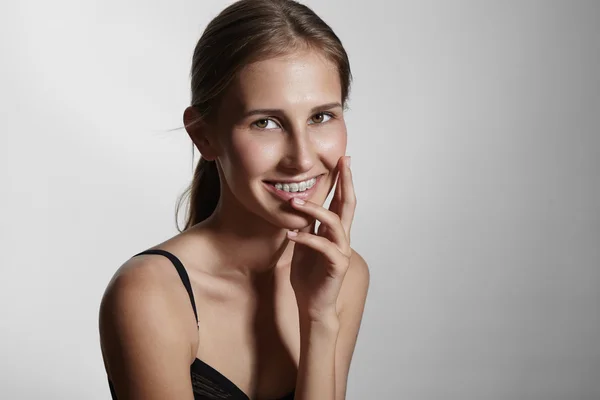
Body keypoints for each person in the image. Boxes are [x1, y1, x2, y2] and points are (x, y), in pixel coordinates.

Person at [98, 0, 370, 399]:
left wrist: (319, 318)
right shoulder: (150, 295)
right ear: (204, 136)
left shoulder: (342, 275)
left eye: (321, 117)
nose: (303, 159)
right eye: (265, 122)